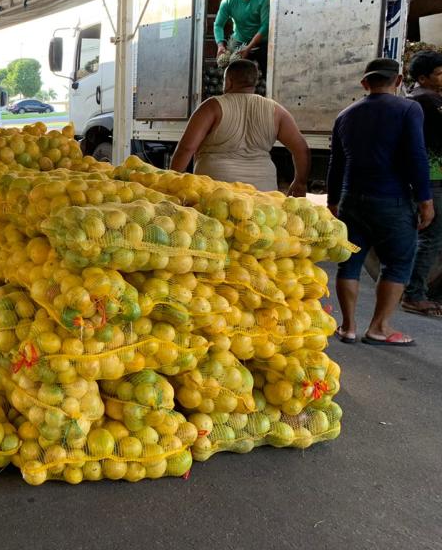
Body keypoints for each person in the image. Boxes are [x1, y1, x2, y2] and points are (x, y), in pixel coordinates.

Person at [327, 58, 434, 347]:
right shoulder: (408, 109)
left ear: (365, 83)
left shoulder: (345, 115)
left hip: (351, 201)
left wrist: (333, 200)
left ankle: (348, 327)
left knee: (350, 262)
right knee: (397, 264)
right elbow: (416, 156)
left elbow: (336, 163)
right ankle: (379, 328)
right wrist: (425, 199)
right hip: (392, 200)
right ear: (398, 81)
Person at [169, 59, 309, 194]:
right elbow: (301, 149)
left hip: (216, 191)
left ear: (228, 81)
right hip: (263, 191)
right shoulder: (276, 111)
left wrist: (170, 181)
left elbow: (186, 148)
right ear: (254, 82)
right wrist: (300, 182)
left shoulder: (212, 107)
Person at [401, 50, 442, 317]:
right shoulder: (427, 100)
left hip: (428, 177)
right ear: (424, 78)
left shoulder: (415, 99)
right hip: (432, 177)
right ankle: (415, 294)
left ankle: (425, 292)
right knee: (432, 236)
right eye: (439, 73)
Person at [214, 0, 271, 79]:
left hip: (262, 41)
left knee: (268, 74)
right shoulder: (228, 1)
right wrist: (220, 45)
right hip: (240, 40)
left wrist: (249, 48)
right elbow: (218, 25)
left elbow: (265, 26)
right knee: (233, 73)